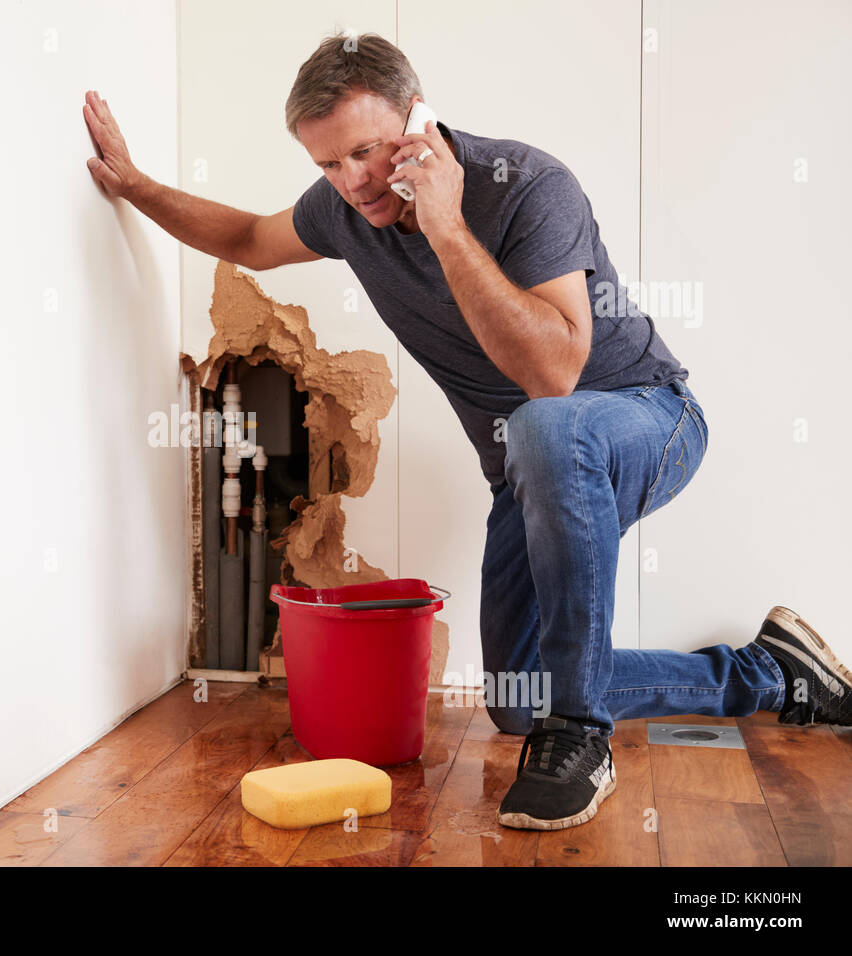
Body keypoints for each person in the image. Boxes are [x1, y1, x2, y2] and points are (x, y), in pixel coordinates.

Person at [82, 32, 852, 831]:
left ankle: (583, 735)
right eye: (326, 166)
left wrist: (446, 226)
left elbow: (554, 374)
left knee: (546, 428)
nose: (351, 183)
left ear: (418, 119)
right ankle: (770, 677)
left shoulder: (529, 188)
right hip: (530, 464)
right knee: (520, 696)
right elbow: (247, 239)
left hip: (648, 419)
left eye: (367, 153)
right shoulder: (348, 212)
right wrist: (133, 184)